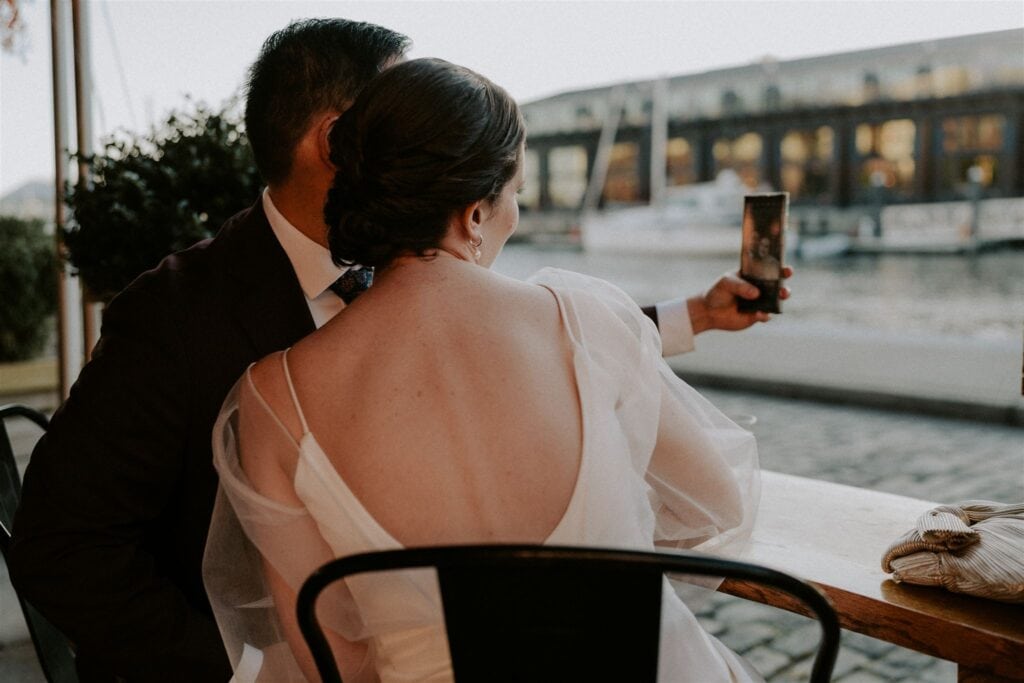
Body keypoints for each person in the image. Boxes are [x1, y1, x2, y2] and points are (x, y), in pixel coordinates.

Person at [10, 18, 782, 682]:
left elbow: (549, 347)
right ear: (336, 141)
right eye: (398, 105)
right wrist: (246, 670)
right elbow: (60, 543)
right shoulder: (176, 315)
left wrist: (695, 316)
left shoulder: (405, 265)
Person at [204, 57, 762, 683]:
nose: (514, 213)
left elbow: (334, 662)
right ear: (473, 213)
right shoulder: (588, 321)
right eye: (514, 192)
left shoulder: (273, 397)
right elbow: (713, 506)